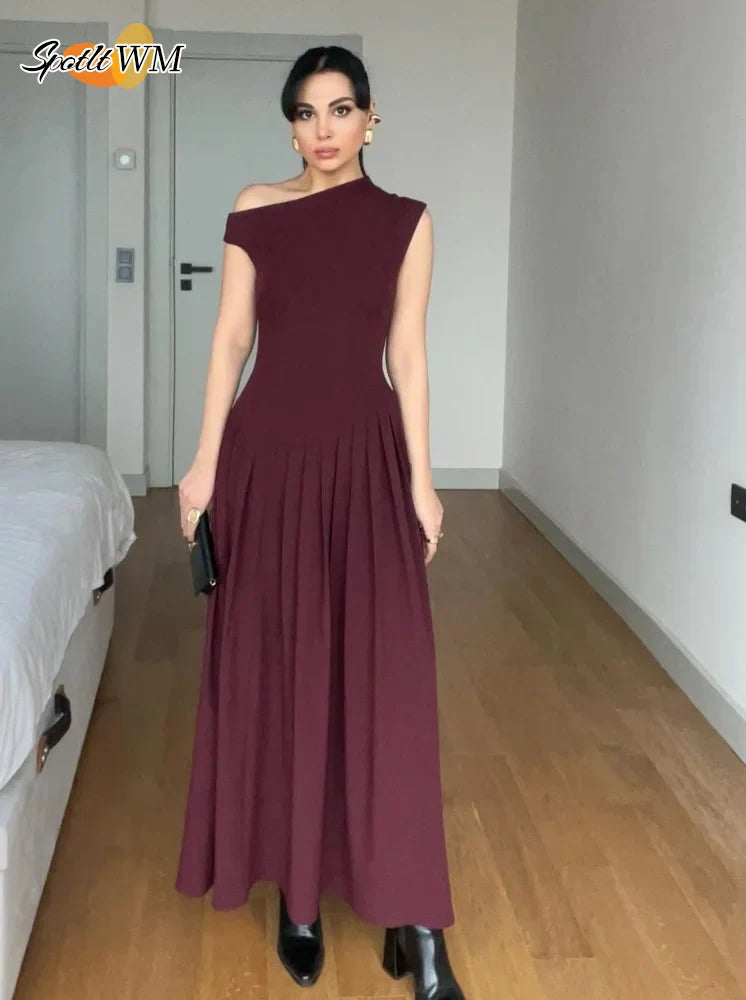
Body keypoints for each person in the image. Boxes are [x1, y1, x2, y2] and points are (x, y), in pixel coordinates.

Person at [174, 45, 466, 1000]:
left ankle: (415, 916)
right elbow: (231, 339)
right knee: (282, 668)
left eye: (342, 109)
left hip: (365, 459)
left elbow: (408, 356)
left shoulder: (406, 221)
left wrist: (423, 482)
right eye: (306, 112)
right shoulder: (256, 209)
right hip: (267, 459)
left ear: (372, 118)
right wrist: (203, 463)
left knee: (390, 678)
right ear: (290, 125)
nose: (324, 129)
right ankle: (297, 898)